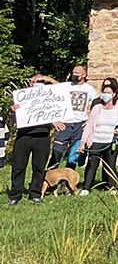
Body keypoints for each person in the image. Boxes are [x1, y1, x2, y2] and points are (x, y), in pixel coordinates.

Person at [8, 74, 57, 204]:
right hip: (23, 135)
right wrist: (13, 111)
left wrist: (48, 79)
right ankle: (15, 195)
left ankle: (35, 193)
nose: (37, 84)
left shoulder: (50, 98)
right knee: (18, 166)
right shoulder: (22, 98)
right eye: (34, 82)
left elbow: (63, 91)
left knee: (39, 167)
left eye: (40, 82)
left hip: (42, 135)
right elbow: (14, 121)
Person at [79, 82, 118, 194]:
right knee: (92, 164)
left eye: (108, 92)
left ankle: (111, 186)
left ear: (114, 94)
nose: (105, 94)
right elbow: (89, 125)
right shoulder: (97, 108)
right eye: (104, 92)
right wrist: (83, 142)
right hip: (96, 140)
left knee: (110, 165)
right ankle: (86, 188)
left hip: (111, 141)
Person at [51, 64, 96, 168]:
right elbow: (51, 91)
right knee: (56, 152)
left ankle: (67, 181)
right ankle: (50, 179)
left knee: (73, 157)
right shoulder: (66, 86)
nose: (74, 74)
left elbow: (96, 105)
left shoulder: (89, 89)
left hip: (80, 125)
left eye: (77, 72)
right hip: (65, 124)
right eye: (73, 72)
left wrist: (90, 121)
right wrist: (44, 78)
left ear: (84, 75)